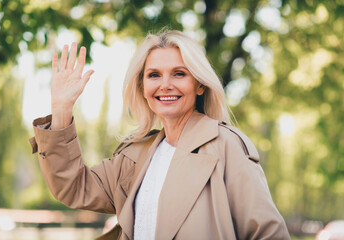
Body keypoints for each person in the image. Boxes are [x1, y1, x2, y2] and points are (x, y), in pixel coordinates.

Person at [29, 30, 291, 240]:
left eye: (179, 73)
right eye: (154, 75)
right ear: (143, 87)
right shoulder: (134, 156)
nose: (166, 84)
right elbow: (73, 187)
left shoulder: (226, 147)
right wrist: (61, 109)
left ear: (199, 84)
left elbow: (268, 233)